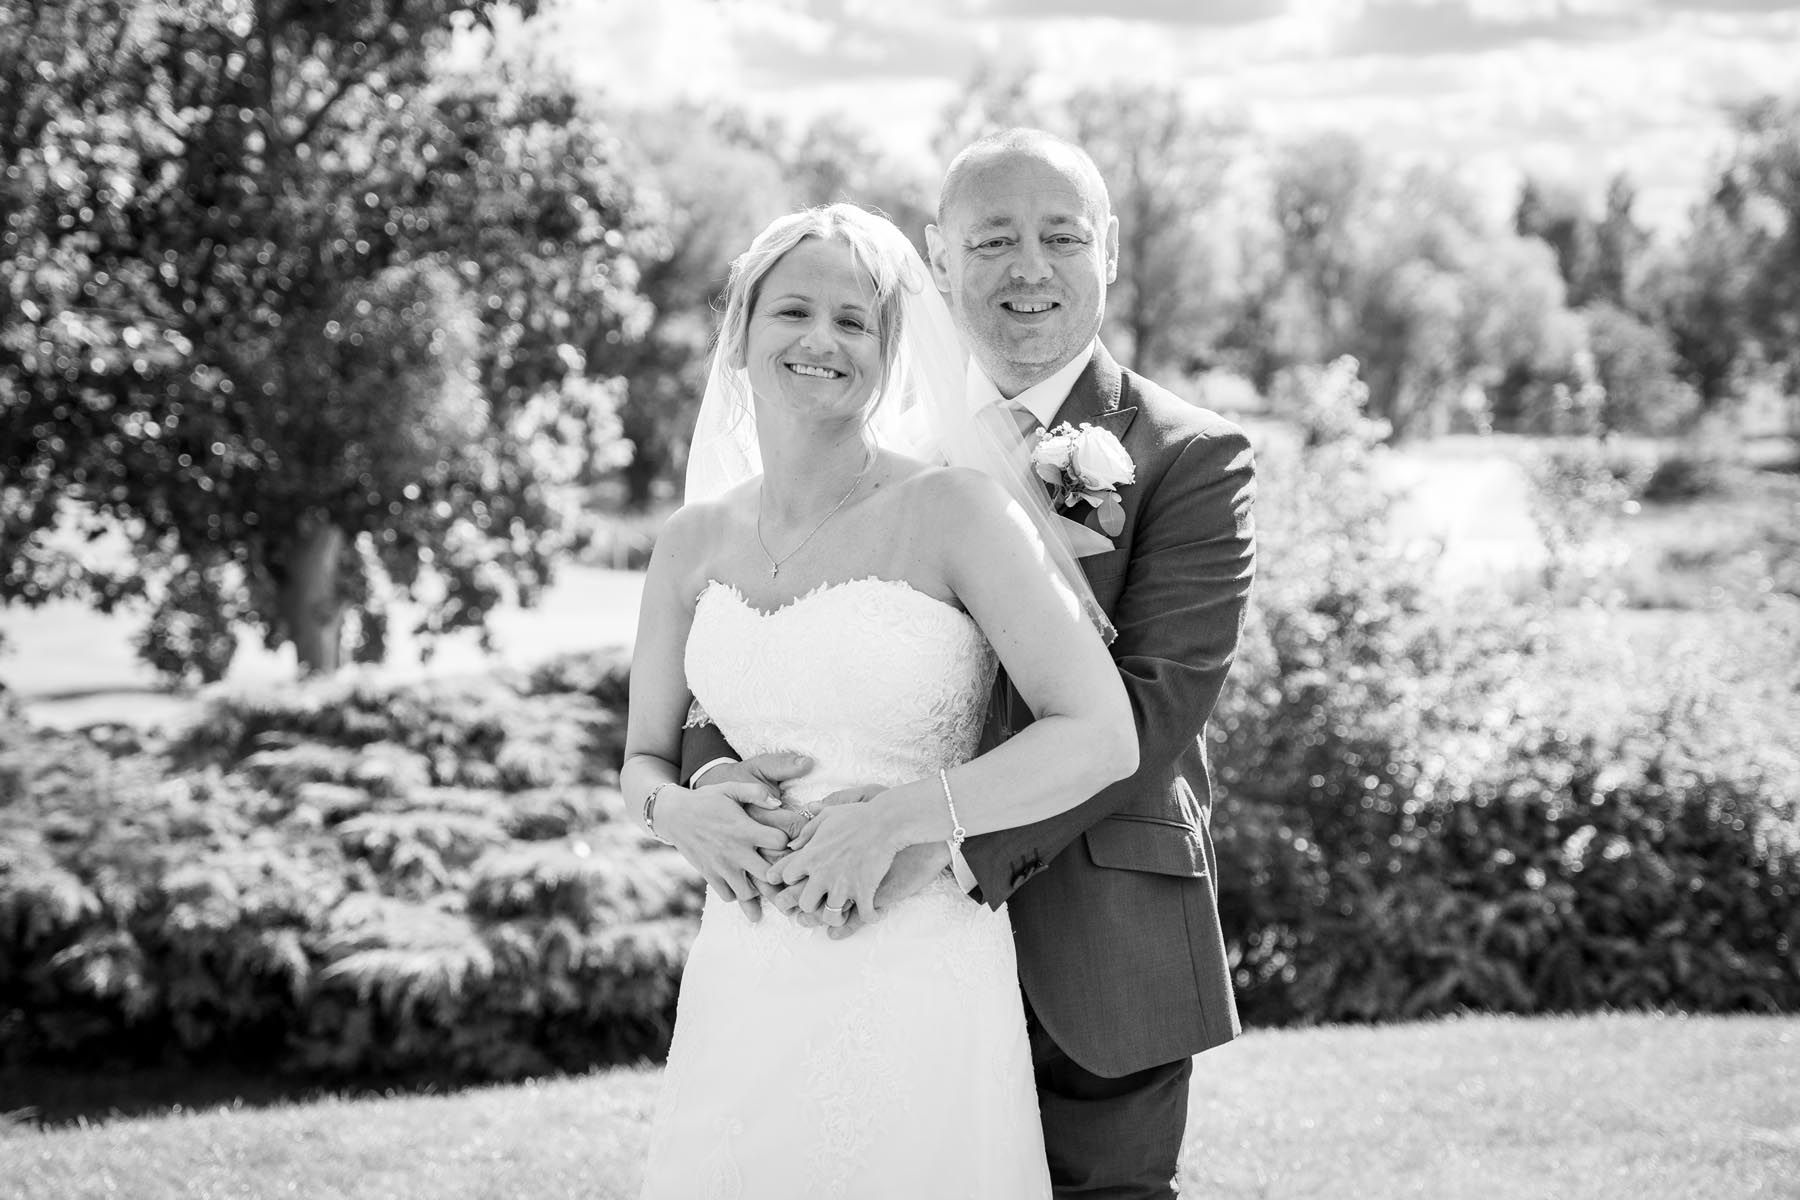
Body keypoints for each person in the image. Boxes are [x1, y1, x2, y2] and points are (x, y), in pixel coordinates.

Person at [676, 129, 1258, 1198]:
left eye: (1061, 236)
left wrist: (934, 850)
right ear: (940, 262)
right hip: (856, 933)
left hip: (1089, 939)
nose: (1028, 266)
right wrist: (715, 771)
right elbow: (757, 621)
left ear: (1112, 251)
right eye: (993, 239)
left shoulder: (1191, 456)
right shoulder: (876, 443)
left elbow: (1151, 712)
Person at [623, 201, 1139, 1198]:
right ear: (741, 336)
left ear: (889, 352)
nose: (821, 340)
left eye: (854, 322)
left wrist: (905, 820)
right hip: (746, 964)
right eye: (794, 313)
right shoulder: (690, 543)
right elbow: (643, 758)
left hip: (917, 963)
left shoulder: (955, 510)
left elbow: (1102, 733)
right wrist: (675, 810)